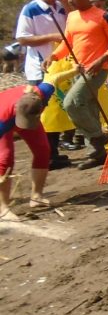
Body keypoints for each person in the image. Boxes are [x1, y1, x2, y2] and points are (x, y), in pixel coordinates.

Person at [49, 0, 108, 170]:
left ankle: (97, 137)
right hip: (78, 69)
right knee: (89, 107)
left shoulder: (104, 17)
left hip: (98, 69)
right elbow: (68, 42)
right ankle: (97, 154)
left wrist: (101, 60)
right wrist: (53, 56)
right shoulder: (72, 16)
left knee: (71, 102)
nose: (70, 0)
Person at [15, 0, 72, 170]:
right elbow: (22, 38)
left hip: (61, 65)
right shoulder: (30, 9)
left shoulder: (60, 7)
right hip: (39, 67)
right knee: (43, 111)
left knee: (57, 109)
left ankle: (52, 152)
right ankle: (47, 155)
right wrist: (51, 37)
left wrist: (65, 1)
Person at [0, 83, 55, 220]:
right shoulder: (3, 120)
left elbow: (54, 79)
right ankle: (3, 208)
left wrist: (75, 70)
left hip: (28, 114)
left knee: (43, 149)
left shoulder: (42, 93)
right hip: (5, 118)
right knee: (5, 159)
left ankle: (36, 197)